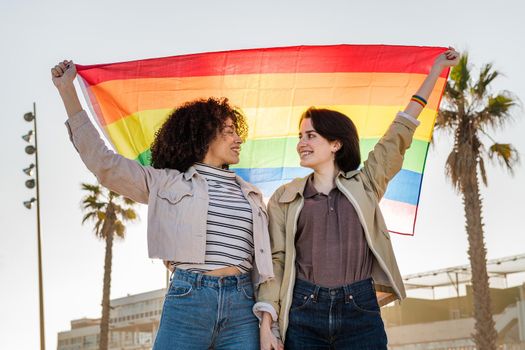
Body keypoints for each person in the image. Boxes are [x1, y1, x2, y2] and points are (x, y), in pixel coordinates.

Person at [51, 61, 274, 350]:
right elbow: (103, 164)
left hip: (242, 304)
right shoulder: (166, 182)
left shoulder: (251, 195)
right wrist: (67, 91)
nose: (239, 138)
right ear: (205, 134)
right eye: (229, 131)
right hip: (189, 298)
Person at [255, 48, 460, 349]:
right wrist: (267, 324)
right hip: (303, 311)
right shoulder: (284, 198)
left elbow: (399, 133)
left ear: (336, 143)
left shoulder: (366, 183)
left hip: (360, 310)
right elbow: (276, 260)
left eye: (310, 136)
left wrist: (434, 73)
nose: (301, 144)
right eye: (300, 136)